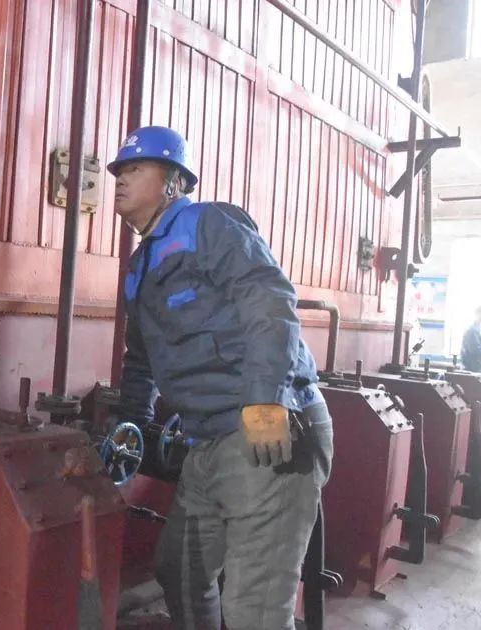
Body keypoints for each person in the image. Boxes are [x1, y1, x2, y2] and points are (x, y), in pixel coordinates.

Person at [108, 126, 333, 630]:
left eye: (135, 168)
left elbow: (269, 302)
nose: (120, 178)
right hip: (205, 445)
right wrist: (130, 428)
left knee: (255, 610)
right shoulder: (139, 268)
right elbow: (140, 360)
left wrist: (265, 401)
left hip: (266, 432)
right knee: (179, 571)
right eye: (119, 170)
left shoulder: (209, 225)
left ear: (174, 181)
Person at [460, 305, 481, 372]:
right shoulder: (472, 330)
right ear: (478, 314)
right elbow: (475, 349)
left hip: (478, 368)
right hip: (471, 369)